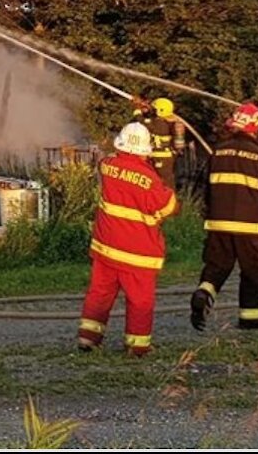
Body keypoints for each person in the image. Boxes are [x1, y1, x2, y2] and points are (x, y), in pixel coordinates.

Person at [77, 122, 178, 356]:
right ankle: (137, 346)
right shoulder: (148, 178)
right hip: (137, 251)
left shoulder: (107, 165)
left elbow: (110, 162)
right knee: (140, 300)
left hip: (106, 245)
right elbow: (167, 206)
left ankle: (88, 338)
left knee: (99, 293)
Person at [190, 103, 258, 332]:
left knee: (217, 266)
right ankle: (250, 318)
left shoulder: (217, 152)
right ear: (255, 127)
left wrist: (209, 214)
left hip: (218, 223)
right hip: (251, 227)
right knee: (253, 271)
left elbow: (204, 189)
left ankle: (204, 292)